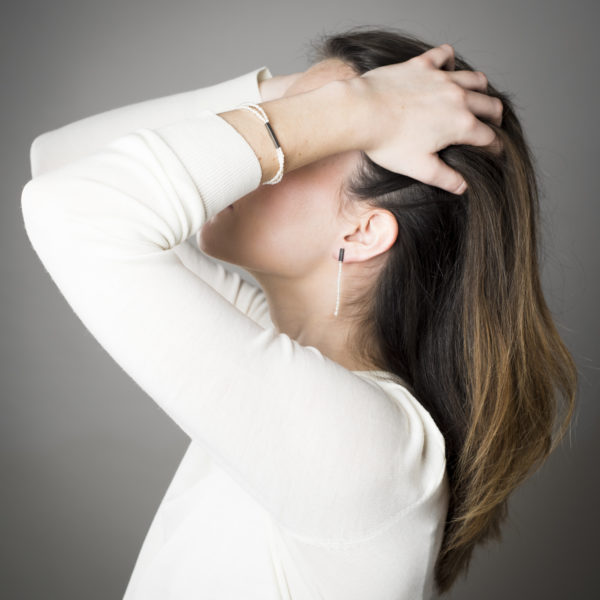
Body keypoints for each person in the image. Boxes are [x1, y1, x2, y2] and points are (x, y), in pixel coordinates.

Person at [21, 25, 577, 600]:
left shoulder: (371, 449)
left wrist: (352, 105)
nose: (253, 147)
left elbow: (71, 207)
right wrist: (333, 98)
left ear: (362, 232)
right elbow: (59, 164)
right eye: (298, 118)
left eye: (317, 134)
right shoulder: (279, 347)